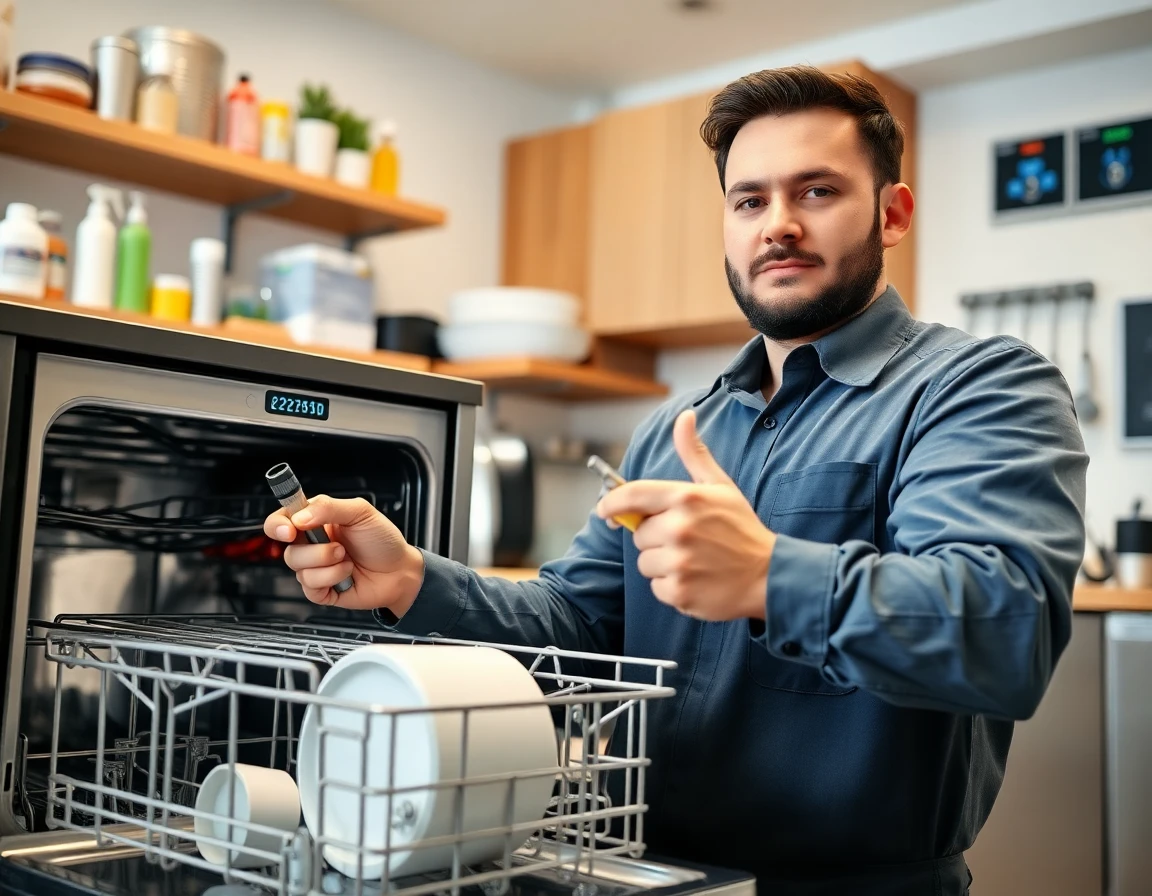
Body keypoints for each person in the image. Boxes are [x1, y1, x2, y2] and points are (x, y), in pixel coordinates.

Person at [264, 65, 1088, 895]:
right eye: (750, 200)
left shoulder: (979, 385)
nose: (779, 226)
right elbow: (577, 620)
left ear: (892, 212)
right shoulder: (676, 426)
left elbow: (1005, 629)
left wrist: (770, 576)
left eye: (818, 191)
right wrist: (411, 579)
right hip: (640, 873)